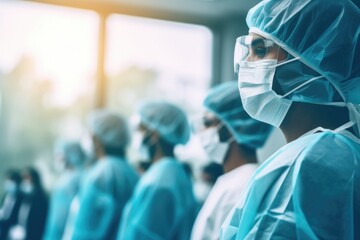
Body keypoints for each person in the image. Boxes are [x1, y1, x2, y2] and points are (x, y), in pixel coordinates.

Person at [221, 0, 360, 239]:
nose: (246, 64)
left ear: (313, 61)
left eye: (261, 50)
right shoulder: (336, 153)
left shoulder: (312, 162)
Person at [191, 81, 272, 240]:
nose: (201, 131)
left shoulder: (240, 186)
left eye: (208, 123)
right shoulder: (234, 180)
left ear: (238, 127)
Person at [118, 101, 197, 240]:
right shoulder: (174, 172)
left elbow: (145, 235)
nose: (136, 134)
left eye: (140, 129)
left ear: (154, 134)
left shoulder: (160, 180)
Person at [69, 110, 138, 240]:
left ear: (97, 138)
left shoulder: (100, 174)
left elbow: (86, 229)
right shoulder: (132, 172)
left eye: (90, 134)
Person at [43, 141, 86, 240]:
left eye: (59, 155)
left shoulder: (66, 182)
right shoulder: (84, 175)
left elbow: (58, 221)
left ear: (71, 155)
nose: (56, 158)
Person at [8, 167, 48, 240]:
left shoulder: (41, 199)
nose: (25, 181)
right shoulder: (23, 197)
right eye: (23, 178)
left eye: (27, 178)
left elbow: (39, 223)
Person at [0, 169, 23, 240]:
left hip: (13, 231)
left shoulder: (20, 197)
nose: (8, 183)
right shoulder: (6, 196)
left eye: (10, 180)